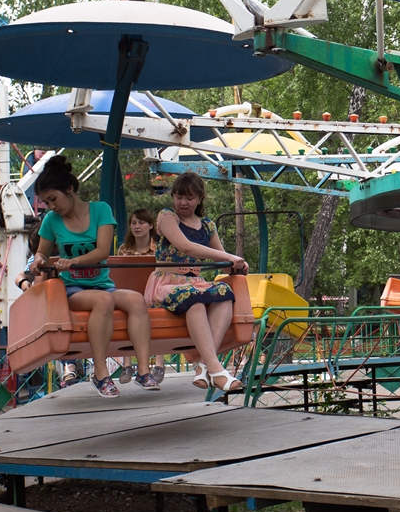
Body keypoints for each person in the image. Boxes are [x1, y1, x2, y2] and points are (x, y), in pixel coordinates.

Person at [29, 155, 158, 398]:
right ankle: (100, 373)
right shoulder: (51, 221)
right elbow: (41, 253)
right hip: (73, 290)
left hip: (102, 285)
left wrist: (75, 260)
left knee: (136, 300)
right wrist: (39, 262)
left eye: (53, 199)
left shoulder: (100, 210)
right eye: (47, 202)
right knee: (103, 301)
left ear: (69, 189)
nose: (52, 206)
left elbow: (102, 251)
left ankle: (143, 371)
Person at [146, 172, 249, 391]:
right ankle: (217, 369)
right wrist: (230, 257)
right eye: (179, 196)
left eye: (189, 198)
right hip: (167, 283)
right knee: (194, 299)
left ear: (200, 199)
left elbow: (220, 257)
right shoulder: (167, 217)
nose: (183, 202)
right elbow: (185, 246)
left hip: (195, 282)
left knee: (225, 293)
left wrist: (236, 265)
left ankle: (203, 364)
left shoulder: (207, 226)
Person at [116, 209, 164, 384]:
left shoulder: (158, 248)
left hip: (153, 290)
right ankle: (127, 363)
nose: (137, 226)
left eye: (141, 222)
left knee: (157, 310)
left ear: (150, 225)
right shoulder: (124, 249)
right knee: (126, 312)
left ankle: (159, 363)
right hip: (131, 291)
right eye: (134, 223)